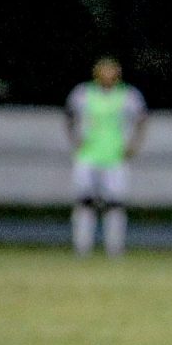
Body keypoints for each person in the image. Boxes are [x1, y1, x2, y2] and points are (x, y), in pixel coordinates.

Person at [65, 56, 147, 257]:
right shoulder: (83, 93)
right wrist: (75, 140)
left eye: (112, 71)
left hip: (115, 156)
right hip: (88, 155)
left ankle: (114, 249)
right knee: (85, 202)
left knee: (115, 204)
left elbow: (141, 119)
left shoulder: (128, 95)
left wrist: (134, 145)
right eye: (104, 71)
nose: (108, 75)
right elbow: (69, 116)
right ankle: (82, 248)